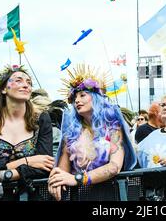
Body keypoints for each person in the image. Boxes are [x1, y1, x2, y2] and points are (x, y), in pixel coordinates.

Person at [0, 65, 54, 201]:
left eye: (29, 83)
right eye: (18, 80)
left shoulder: (41, 119)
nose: (26, 85)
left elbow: (44, 167)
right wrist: (27, 161)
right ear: (4, 89)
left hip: (27, 195)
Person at [48, 64, 136, 201]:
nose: (77, 100)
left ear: (96, 98)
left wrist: (77, 178)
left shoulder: (113, 128)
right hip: (79, 196)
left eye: (82, 95)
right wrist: (56, 181)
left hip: (109, 195)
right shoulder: (71, 134)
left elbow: (114, 167)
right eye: (75, 97)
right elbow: (62, 171)